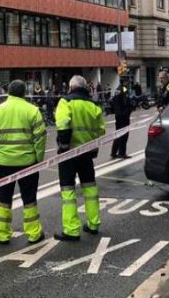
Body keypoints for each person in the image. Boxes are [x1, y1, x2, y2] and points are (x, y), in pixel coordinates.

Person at [0, 80, 46, 245]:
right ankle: (33, 233)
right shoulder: (32, 111)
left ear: (9, 92)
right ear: (24, 93)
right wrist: (38, 159)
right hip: (28, 162)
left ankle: (3, 233)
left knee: (4, 198)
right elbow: (40, 138)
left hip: (3, 162)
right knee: (29, 198)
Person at [53, 76, 106, 240]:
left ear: (71, 87)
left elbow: (63, 125)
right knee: (90, 189)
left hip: (69, 153)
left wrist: (63, 147)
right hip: (87, 153)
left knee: (68, 191)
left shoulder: (65, 102)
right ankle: (93, 223)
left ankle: (71, 229)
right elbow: (100, 130)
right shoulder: (93, 104)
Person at [110, 84, 133, 159]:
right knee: (124, 136)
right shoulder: (123, 90)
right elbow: (127, 103)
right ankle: (122, 153)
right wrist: (129, 109)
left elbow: (112, 104)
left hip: (118, 117)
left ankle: (113, 152)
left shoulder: (117, 91)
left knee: (118, 135)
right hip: (124, 118)